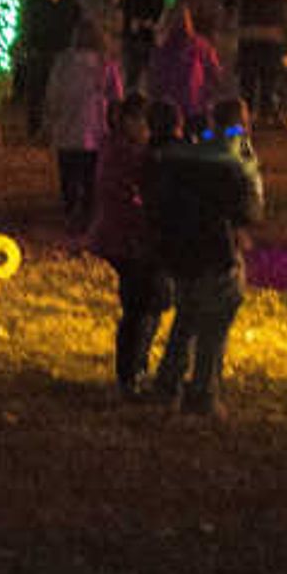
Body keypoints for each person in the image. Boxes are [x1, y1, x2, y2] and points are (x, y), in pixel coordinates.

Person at [147, 97, 265, 415]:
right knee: (215, 322)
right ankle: (202, 393)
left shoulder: (187, 150)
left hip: (180, 250)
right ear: (242, 124)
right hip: (217, 250)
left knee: (187, 315)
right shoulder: (238, 154)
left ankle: (167, 382)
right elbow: (250, 209)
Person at [87, 95, 166, 394]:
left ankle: (135, 369)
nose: (147, 131)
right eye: (144, 124)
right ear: (130, 122)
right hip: (126, 238)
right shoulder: (128, 153)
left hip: (118, 235)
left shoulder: (114, 147)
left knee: (142, 303)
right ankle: (131, 372)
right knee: (140, 306)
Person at [44, 14, 117, 225]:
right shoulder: (105, 64)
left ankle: (70, 208)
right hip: (94, 128)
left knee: (68, 171)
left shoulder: (64, 62)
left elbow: (53, 92)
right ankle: (87, 210)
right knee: (89, 174)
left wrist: (53, 114)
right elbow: (116, 95)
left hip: (68, 126)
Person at [13, 0, 80, 134]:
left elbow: (78, 26)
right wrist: (28, 46)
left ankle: (61, 127)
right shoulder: (36, 1)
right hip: (40, 52)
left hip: (63, 54)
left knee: (63, 93)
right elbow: (27, 25)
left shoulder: (70, 2)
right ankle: (34, 127)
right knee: (37, 93)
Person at [145, 2, 225, 137]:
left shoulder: (201, 46)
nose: (182, 23)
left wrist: (209, 95)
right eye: (178, 20)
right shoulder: (164, 49)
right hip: (172, 114)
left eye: (184, 18)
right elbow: (155, 78)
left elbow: (214, 73)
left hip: (195, 110)